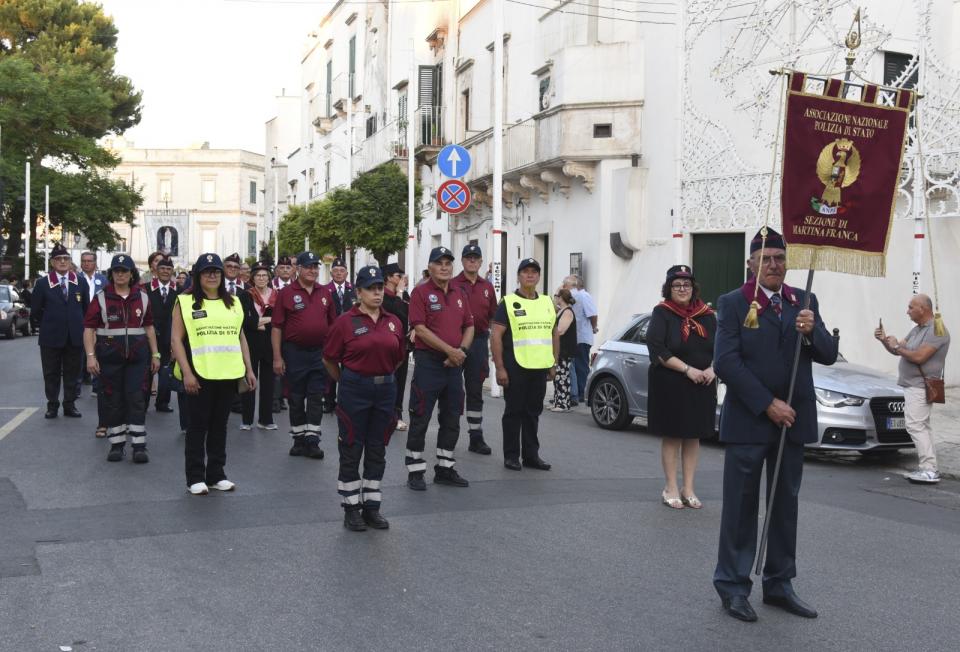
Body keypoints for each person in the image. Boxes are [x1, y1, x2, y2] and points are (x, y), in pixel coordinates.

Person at [712, 227, 838, 623]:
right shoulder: (734, 303)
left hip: (793, 423)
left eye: (779, 258)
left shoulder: (803, 300)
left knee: (785, 506)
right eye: (765, 258)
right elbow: (726, 362)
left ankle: (780, 584)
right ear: (751, 263)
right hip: (751, 420)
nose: (773, 265)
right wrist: (768, 405)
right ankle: (733, 586)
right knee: (741, 507)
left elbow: (829, 354)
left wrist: (812, 329)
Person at [323, 265, 406, 531]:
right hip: (354, 391)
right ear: (358, 292)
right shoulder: (345, 322)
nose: (377, 293)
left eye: (380, 287)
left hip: (384, 391)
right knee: (351, 448)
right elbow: (329, 358)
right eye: (371, 288)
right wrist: (348, 381)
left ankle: (372, 507)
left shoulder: (393, 321)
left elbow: (398, 357)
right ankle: (351, 509)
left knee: (377, 449)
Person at [171, 253, 257, 495]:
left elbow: (240, 337)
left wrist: (249, 369)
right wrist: (187, 373)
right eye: (207, 271)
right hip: (200, 373)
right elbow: (176, 340)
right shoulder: (185, 302)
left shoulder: (234, 302)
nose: (212, 275)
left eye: (216, 271)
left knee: (220, 426)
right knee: (198, 427)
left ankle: (216, 474)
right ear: (197, 276)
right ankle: (195, 477)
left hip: (229, 373)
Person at [646, 265, 717, 509]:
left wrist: (712, 369)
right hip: (671, 383)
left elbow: (722, 347)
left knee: (693, 435)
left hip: (702, 383)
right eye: (677, 285)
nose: (682, 289)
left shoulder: (707, 315)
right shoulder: (662, 313)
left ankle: (688, 488)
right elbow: (658, 349)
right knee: (673, 435)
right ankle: (670, 487)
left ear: (693, 287)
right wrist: (688, 370)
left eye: (687, 285)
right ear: (669, 289)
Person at [405, 246, 474, 490]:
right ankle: (415, 471)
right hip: (429, 363)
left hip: (454, 364)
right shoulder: (420, 292)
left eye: (448, 262)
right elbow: (420, 329)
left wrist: (461, 352)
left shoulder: (459, 292)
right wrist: (449, 351)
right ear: (430, 267)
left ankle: (445, 468)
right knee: (421, 416)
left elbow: (469, 326)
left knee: (452, 417)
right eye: (439, 262)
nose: (444, 267)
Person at [83, 254, 161, 463]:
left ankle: (138, 445)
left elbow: (149, 327)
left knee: (136, 398)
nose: (120, 274)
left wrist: (155, 354)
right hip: (109, 358)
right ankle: (117, 444)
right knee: (113, 399)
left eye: (124, 271)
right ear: (111, 274)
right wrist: (91, 357)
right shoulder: (101, 297)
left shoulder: (142, 297)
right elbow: (89, 329)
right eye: (116, 271)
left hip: (138, 357)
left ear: (131, 274)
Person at [874, 294, 951, 484]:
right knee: (921, 426)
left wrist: (897, 347)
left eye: (910, 307)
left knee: (915, 425)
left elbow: (918, 357)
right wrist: (885, 341)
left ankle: (929, 469)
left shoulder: (937, 330)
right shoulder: (917, 330)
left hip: (921, 386)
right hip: (912, 385)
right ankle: (929, 467)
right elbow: (898, 348)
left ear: (922, 309)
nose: (907, 311)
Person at [491, 258, 557, 471]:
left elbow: (554, 333)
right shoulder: (508, 303)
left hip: (539, 367)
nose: (530, 275)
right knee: (514, 412)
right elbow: (496, 336)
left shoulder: (547, 302)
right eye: (525, 271)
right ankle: (511, 455)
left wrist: (553, 362)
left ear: (539, 276)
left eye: (534, 272)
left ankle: (531, 455)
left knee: (533, 413)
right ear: (519, 276)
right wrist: (500, 367)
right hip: (515, 366)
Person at [272, 251, 337, 459]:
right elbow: (276, 327)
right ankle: (299, 439)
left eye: (315, 267)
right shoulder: (287, 293)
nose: (313, 270)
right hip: (295, 353)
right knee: (296, 397)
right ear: (297, 269)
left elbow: (334, 325)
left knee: (316, 397)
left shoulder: (326, 292)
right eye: (308, 266)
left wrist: (333, 354)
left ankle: (313, 440)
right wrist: (277, 357)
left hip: (319, 354)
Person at [32, 243, 90, 419]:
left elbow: (86, 309)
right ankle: (52, 405)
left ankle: (69, 405)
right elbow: (35, 311)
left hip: (75, 336)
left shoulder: (79, 281)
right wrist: (50, 324)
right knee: (51, 373)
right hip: (51, 337)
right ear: (52, 262)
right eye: (58, 259)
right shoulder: (43, 283)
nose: (63, 262)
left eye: (66, 258)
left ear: (70, 261)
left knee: (73, 373)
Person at [451, 244, 499, 455]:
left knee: (475, 390)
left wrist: (492, 344)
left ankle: (476, 437)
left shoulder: (487, 287)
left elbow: (493, 317)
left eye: (475, 258)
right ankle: (449, 435)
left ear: (480, 262)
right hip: (454, 341)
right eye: (468, 258)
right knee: (451, 390)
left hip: (478, 342)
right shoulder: (451, 284)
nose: (472, 261)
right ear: (462, 261)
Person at [240, 261, 277, 430]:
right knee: (250, 379)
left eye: (264, 275)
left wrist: (259, 322)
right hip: (251, 343)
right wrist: (265, 321)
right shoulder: (245, 295)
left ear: (269, 277)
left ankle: (266, 419)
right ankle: (247, 420)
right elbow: (245, 321)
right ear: (252, 278)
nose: (261, 278)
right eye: (258, 275)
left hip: (270, 343)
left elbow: (280, 320)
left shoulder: (277, 295)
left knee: (269, 382)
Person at [147, 257, 179, 413]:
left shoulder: (179, 291)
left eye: (168, 269)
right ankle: (143, 402)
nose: (165, 271)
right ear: (156, 270)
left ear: (172, 271)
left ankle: (162, 403)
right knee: (146, 373)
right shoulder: (145, 289)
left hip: (169, 339)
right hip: (148, 339)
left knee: (166, 374)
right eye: (162, 269)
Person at [324, 257, 356, 413]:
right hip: (332, 334)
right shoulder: (325, 290)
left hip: (351, 336)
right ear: (331, 273)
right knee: (330, 367)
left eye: (342, 270)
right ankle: (329, 401)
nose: (338, 273)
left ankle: (345, 400)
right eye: (335, 271)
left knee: (348, 367)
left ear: (347, 273)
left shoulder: (354, 289)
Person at [381, 262, 411, 431]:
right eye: (398, 276)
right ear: (389, 278)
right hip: (386, 345)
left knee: (400, 381)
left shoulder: (404, 295)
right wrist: (399, 293)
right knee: (387, 381)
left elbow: (408, 317)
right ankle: (385, 414)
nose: (401, 279)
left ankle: (397, 414)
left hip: (402, 345)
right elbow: (397, 314)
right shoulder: (382, 296)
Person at [562, 275, 598, 405]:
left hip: (582, 335)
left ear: (576, 285)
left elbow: (593, 314)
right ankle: (577, 393)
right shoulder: (577, 296)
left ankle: (583, 393)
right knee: (576, 366)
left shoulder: (584, 296)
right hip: (577, 336)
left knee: (581, 365)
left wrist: (594, 327)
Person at [550, 288, 577, 412]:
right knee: (558, 376)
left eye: (557, 296)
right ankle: (557, 402)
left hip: (565, 349)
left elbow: (560, 330)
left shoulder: (567, 312)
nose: (555, 298)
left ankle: (563, 404)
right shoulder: (561, 311)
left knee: (562, 376)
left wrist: (550, 334)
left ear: (561, 298)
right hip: (560, 349)